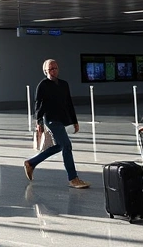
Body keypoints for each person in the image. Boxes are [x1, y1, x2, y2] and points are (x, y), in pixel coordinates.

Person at [24, 59, 90, 189]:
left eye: (55, 68)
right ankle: (73, 178)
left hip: (62, 119)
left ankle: (31, 163)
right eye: (50, 69)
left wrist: (74, 121)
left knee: (60, 145)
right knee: (67, 145)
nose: (53, 71)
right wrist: (39, 122)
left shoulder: (64, 84)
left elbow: (69, 103)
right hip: (51, 120)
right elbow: (38, 105)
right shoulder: (43, 85)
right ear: (45, 71)